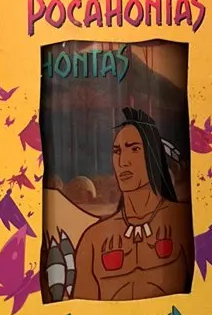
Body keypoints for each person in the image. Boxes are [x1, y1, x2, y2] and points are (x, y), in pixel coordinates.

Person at [72, 108, 193, 302]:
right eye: (117, 151)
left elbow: (205, 296)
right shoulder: (93, 240)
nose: (123, 161)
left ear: (154, 155)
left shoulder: (182, 221)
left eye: (134, 149)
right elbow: (81, 312)